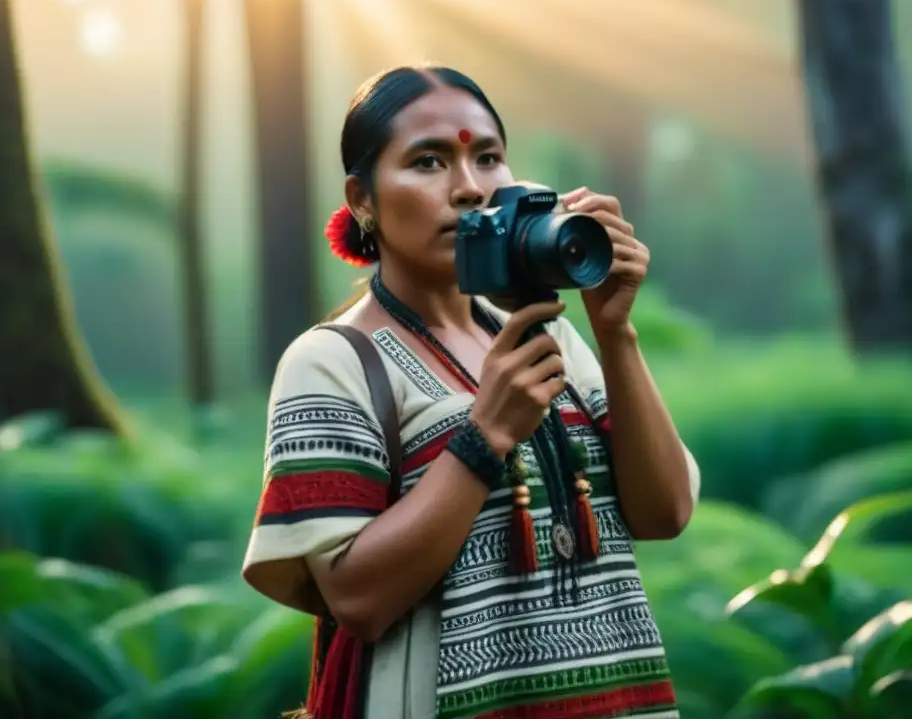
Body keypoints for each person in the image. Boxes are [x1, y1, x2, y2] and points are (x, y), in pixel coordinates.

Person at [242, 65, 701, 719]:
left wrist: (614, 331)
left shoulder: (551, 335)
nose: (468, 188)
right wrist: (484, 437)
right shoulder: (332, 362)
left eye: (488, 158)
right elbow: (357, 601)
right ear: (362, 197)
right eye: (427, 162)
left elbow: (666, 513)